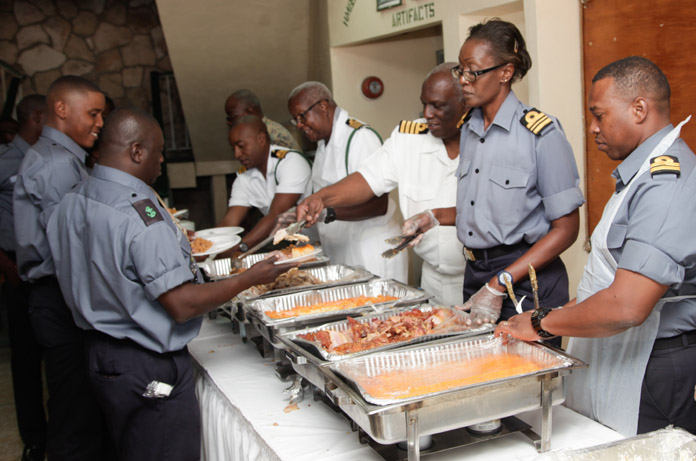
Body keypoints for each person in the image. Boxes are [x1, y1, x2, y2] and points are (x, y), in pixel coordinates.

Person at [47, 107, 296, 460]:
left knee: (131, 447)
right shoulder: (139, 212)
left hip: (100, 354)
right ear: (136, 152)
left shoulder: (73, 197)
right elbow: (182, 304)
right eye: (158, 151)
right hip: (144, 361)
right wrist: (248, 278)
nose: (162, 161)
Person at [496, 56, 696, 437]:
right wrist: (552, 314)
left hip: (657, 363)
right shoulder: (639, 176)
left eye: (599, 115)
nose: (591, 128)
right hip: (625, 351)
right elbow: (609, 285)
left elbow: (626, 305)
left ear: (639, 109)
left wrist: (541, 323)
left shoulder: (665, 182)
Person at [403, 19, 583, 327]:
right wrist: (432, 217)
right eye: (461, 70)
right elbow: (487, 211)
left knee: (526, 372)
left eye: (473, 71)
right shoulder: (470, 129)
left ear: (505, 72)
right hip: (476, 274)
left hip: (527, 278)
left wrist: (501, 282)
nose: (464, 80)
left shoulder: (540, 134)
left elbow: (566, 229)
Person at [297, 63, 468, 305]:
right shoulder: (408, 138)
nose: (427, 113)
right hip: (432, 277)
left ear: (466, 103)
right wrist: (321, 198)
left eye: (438, 106)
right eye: (424, 104)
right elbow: (367, 179)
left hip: (478, 277)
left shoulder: (489, 141)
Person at [13, 76, 110, 459]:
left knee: (80, 408)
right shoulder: (56, 164)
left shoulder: (64, 158)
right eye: (94, 113)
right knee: (74, 414)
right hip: (59, 295)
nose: (100, 122)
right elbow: (71, 246)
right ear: (61, 109)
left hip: (60, 293)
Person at [287, 82, 407, 282]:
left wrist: (327, 214)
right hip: (342, 250)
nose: (299, 124)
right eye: (295, 120)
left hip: (370, 250)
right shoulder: (323, 144)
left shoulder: (359, 137)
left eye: (302, 116)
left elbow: (379, 205)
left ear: (323, 106)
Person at [0, 94, 47, 461]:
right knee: (26, 360)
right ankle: (34, 439)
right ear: (37, 116)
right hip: (14, 269)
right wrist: (4, 264)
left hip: (48, 271)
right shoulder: (5, 161)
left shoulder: (50, 160)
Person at [218, 115, 312, 255]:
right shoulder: (245, 177)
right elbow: (229, 223)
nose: (237, 154)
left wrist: (242, 247)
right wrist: (209, 248)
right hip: (287, 247)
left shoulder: (290, 162)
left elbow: (276, 215)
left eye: (241, 146)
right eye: (234, 148)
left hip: (314, 243)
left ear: (261, 139)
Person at [225, 89, 301, 150]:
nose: (230, 122)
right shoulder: (258, 132)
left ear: (250, 111)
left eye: (233, 117)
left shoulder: (274, 136)